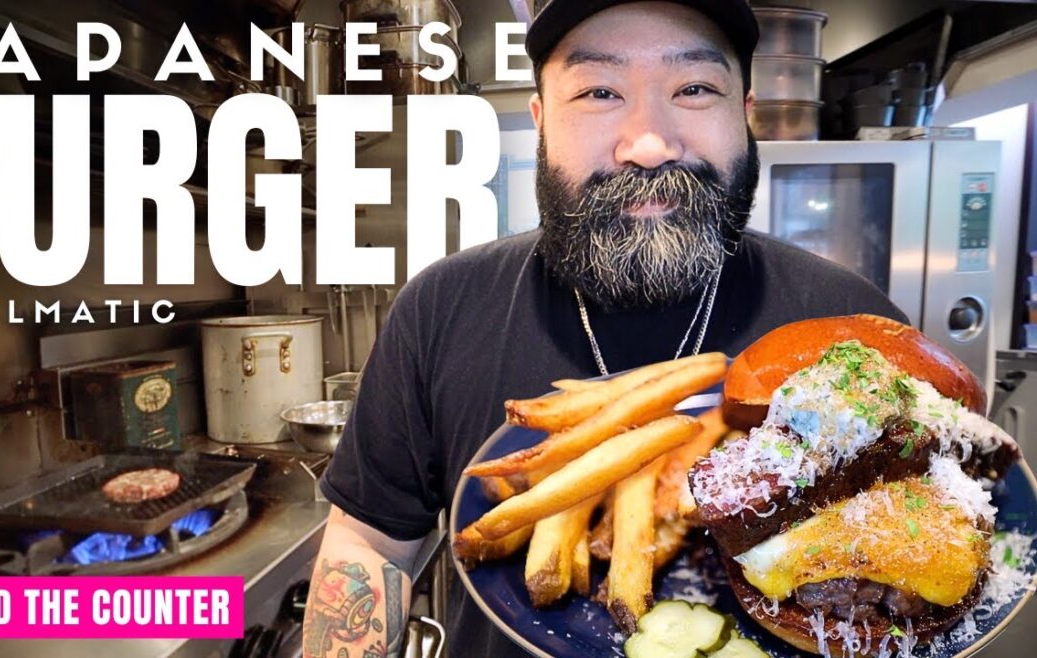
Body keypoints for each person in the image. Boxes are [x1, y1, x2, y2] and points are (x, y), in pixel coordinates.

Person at [301, 1, 909, 656]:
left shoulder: (857, 332)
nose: (648, 146)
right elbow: (370, 544)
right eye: (598, 92)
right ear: (541, 122)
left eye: (694, 89)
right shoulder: (440, 308)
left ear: (746, 115)